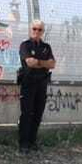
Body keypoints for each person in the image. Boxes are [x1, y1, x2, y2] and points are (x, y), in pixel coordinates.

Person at [16, 20, 55, 151]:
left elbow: (52, 64)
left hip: (42, 84)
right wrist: (43, 63)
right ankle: (23, 143)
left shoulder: (46, 47)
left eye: (39, 30)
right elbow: (29, 62)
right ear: (30, 30)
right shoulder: (25, 45)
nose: (36, 32)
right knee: (26, 114)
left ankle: (32, 141)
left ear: (43, 32)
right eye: (34, 29)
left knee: (38, 113)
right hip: (28, 83)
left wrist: (37, 62)